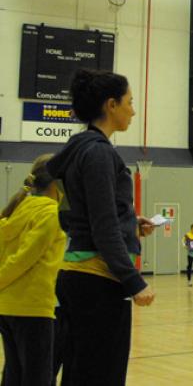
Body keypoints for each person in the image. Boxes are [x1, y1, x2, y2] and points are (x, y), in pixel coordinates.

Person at [47, 69, 156, 386]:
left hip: (75, 278)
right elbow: (103, 227)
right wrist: (134, 282)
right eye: (129, 102)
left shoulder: (74, 152)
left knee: (80, 372)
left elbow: (71, 216)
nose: (133, 111)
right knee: (100, 375)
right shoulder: (98, 154)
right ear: (111, 105)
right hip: (98, 284)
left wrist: (129, 224)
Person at [0, 154, 66, 386]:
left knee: (13, 375)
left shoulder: (18, 208)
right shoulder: (50, 213)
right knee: (37, 377)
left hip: (7, 306)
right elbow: (24, 258)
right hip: (33, 307)